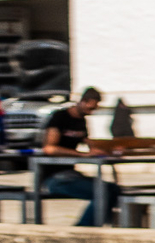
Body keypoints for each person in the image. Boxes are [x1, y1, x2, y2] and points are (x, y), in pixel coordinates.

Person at [37, 87, 119, 226]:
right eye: (90, 108)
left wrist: (107, 150)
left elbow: (89, 143)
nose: (91, 112)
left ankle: (96, 227)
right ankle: (82, 230)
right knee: (102, 192)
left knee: (113, 189)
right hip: (54, 178)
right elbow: (49, 148)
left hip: (71, 174)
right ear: (83, 101)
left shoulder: (81, 121)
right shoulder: (60, 117)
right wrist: (82, 155)